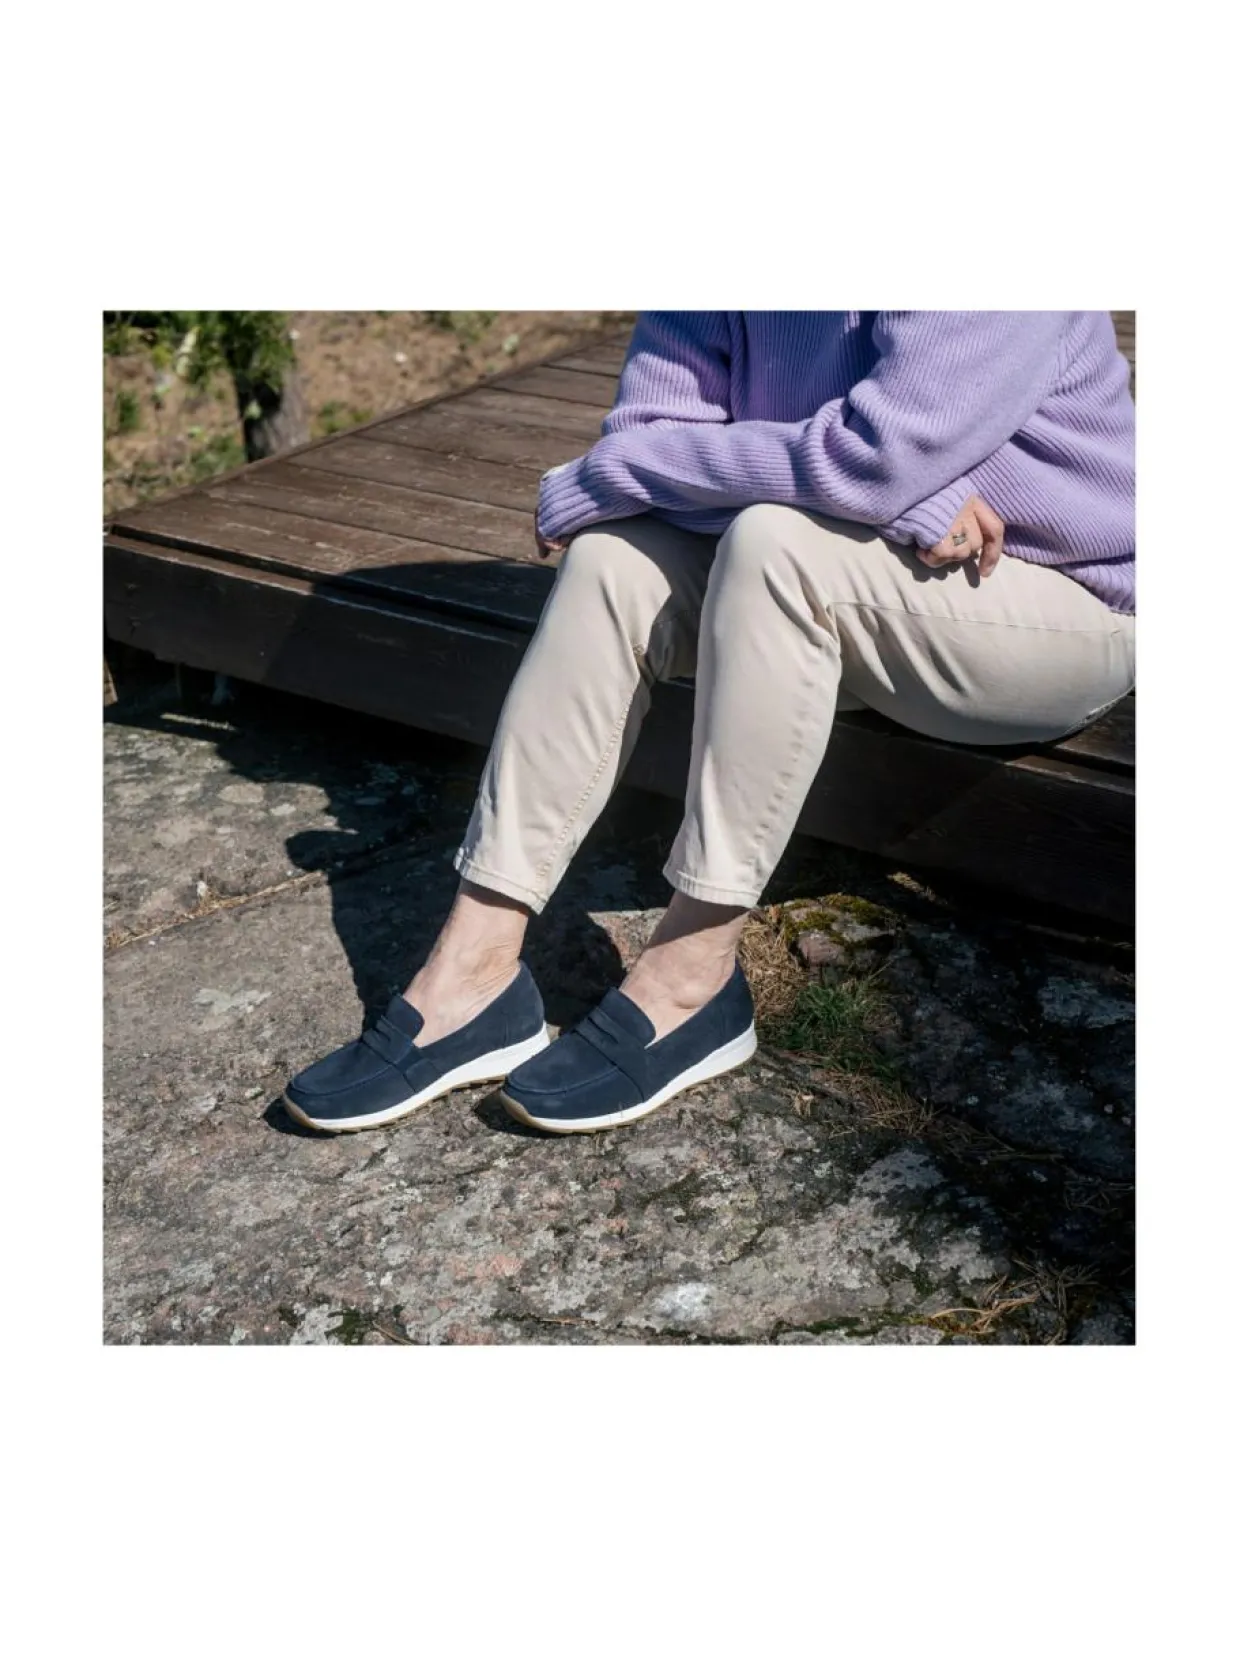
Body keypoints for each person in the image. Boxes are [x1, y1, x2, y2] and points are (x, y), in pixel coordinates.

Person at [283, 311, 1135, 1137]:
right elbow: (650, 441)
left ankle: (695, 977)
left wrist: (871, 491)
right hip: (865, 565)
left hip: (1054, 601)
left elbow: (874, 460)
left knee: (775, 544)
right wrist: (893, 500)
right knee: (614, 559)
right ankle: (473, 973)